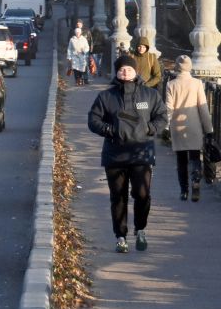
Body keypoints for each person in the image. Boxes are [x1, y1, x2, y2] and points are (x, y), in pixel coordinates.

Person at [88, 54, 169, 253]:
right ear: (117, 72)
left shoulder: (149, 95)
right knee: (118, 197)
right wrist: (110, 130)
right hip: (115, 155)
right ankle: (120, 236)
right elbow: (93, 120)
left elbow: (162, 116)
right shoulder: (106, 97)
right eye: (122, 69)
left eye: (129, 69)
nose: (125, 72)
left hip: (141, 154)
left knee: (142, 194)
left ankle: (140, 229)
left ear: (136, 71)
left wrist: (150, 129)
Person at [163, 55, 214, 202]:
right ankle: (196, 180)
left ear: (177, 67)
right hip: (194, 126)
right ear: (190, 67)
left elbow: (169, 108)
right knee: (195, 157)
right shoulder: (197, 83)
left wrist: (166, 126)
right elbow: (203, 108)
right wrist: (209, 129)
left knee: (181, 161)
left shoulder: (171, 84)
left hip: (177, 127)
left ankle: (184, 191)